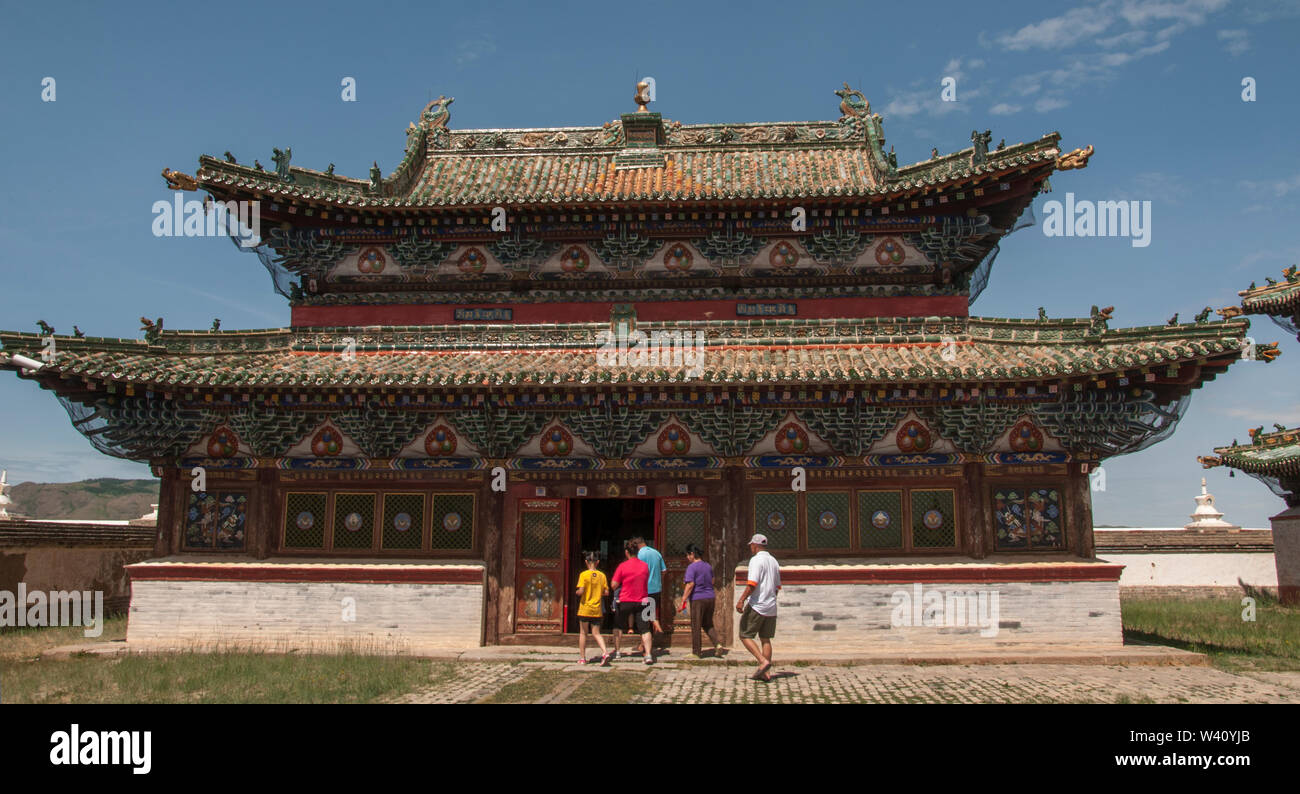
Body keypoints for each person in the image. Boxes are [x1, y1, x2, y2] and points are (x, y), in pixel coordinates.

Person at [735, 533, 780, 682]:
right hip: (771, 605)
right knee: (765, 638)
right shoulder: (773, 561)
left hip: (757, 605)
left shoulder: (756, 560)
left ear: (755, 545)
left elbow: (752, 584)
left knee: (744, 634)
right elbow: (777, 587)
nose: (751, 548)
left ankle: (762, 661)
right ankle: (765, 673)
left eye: (751, 546)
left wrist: (741, 600)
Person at [611, 542, 655, 664]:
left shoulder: (622, 566)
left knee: (618, 626)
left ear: (626, 552)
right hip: (642, 600)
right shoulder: (645, 566)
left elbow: (613, 585)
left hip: (626, 600)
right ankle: (648, 654)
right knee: (645, 629)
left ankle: (618, 652)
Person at [678, 543, 722, 658]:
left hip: (698, 599)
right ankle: (717, 644)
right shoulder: (708, 566)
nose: (687, 558)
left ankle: (696, 652)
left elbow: (690, 584)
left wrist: (683, 599)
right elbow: (712, 581)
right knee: (708, 623)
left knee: (696, 625)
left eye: (688, 555)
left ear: (692, 554)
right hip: (710, 597)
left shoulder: (691, 567)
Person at [574, 551, 611, 666]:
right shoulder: (602, 576)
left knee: (583, 633)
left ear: (586, 562)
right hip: (597, 608)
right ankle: (605, 652)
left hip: (585, 608)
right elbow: (606, 592)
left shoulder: (583, 575)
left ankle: (582, 658)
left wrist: (577, 592)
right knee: (596, 633)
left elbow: (581, 591)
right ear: (597, 562)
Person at [633, 535, 666, 638]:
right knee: (649, 611)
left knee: (643, 617)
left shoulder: (639, 555)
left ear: (637, 545)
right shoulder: (657, 553)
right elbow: (664, 571)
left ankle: (655, 625)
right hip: (656, 589)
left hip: (644, 589)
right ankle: (645, 643)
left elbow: (636, 572)